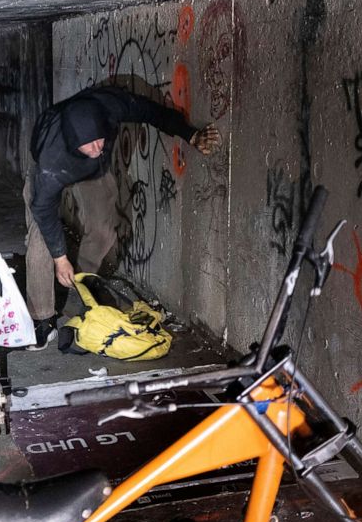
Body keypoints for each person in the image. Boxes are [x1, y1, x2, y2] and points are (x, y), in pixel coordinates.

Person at [23, 85, 221, 349]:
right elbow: (44, 211)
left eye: (100, 139)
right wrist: (60, 259)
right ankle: (41, 319)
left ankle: (81, 285)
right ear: (73, 143)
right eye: (89, 144)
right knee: (42, 240)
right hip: (47, 170)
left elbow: (150, 111)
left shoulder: (109, 106)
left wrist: (190, 134)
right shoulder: (51, 161)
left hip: (92, 172)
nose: (97, 148)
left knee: (104, 230)